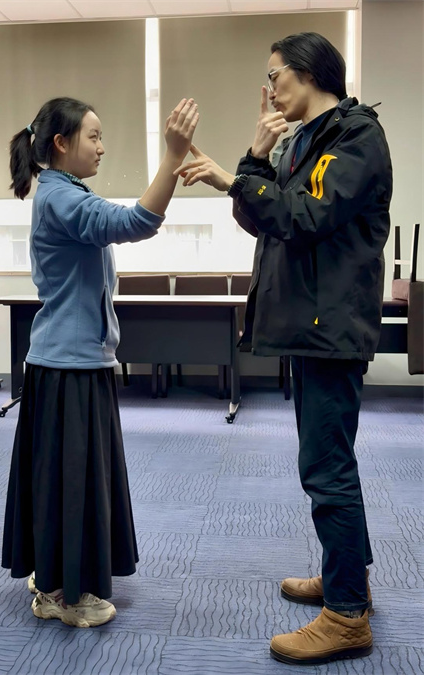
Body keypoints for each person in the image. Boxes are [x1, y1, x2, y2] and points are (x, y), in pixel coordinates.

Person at [175, 32, 392, 666]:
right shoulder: (304, 141)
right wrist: (252, 157)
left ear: (310, 72)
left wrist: (232, 176)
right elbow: (262, 219)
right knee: (327, 462)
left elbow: (303, 216)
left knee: (327, 469)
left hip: (330, 331)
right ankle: (349, 578)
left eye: (275, 75)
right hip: (311, 327)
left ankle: (346, 616)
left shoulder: (356, 136)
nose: (269, 89)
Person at [3, 95, 199, 627]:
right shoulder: (61, 198)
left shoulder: (62, 191)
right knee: (72, 484)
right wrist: (173, 156)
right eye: (93, 136)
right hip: (68, 367)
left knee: (67, 481)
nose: (102, 147)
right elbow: (139, 221)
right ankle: (61, 596)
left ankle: (52, 574)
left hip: (71, 362)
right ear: (61, 143)